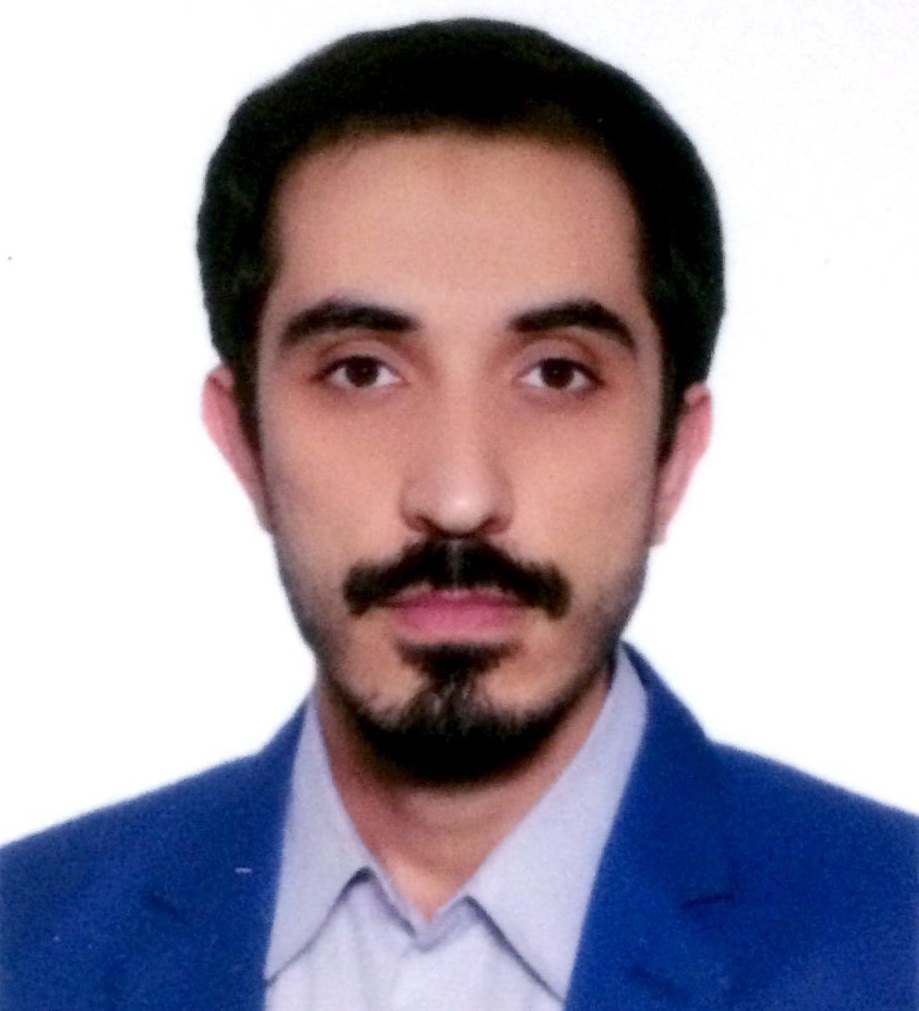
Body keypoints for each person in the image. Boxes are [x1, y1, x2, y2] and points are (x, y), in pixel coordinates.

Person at [1, 18, 915, 1011]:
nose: (458, 496)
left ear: (673, 455)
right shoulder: (26, 944)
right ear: (244, 442)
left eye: (556, 374)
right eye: (361, 372)